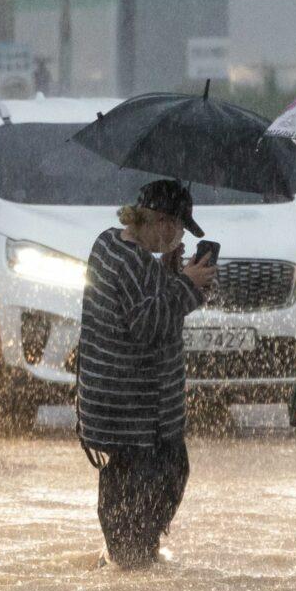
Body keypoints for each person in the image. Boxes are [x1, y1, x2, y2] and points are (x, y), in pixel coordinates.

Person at [74, 178, 217, 570]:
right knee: (155, 479)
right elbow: (148, 324)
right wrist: (186, 285)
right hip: (135, 413)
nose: (178, 238)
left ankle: (126, 558)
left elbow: (139, 302)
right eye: (177, 229)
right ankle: (133, 564)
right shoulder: (134, 262)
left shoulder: (108, 244)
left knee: (130, 485)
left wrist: (169, 274)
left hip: (115, 408)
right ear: (159, 221)